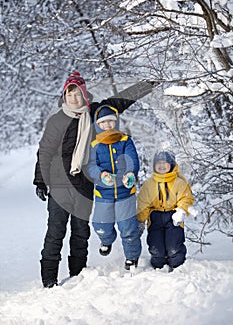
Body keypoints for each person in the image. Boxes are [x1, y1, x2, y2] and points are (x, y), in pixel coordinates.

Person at [33, 71, 153, 287]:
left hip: (84, 184)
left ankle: (77, 277)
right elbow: (45, 151)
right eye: (70, 95)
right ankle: (48, 281)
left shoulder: (95, 113)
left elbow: (120, 101)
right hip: (60, 185)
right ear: (65, 97)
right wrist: (41, 180)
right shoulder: (57, 120)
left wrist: (146, 85)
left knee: (81, 233)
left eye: (78, 95)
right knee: (55, 231)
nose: (74, 99)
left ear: (84, 95)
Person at [86, 105, 141, 270]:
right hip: (104, 193)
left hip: (125, 192)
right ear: (98, 125)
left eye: (111, 121)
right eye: (104, 122)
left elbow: (133, 159)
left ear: (115, 122)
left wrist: (130, 173)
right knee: (101, 225)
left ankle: (131, 257)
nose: (108, 125)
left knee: (128, 228)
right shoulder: (95, 144)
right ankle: (107, 239)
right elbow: (90, 165)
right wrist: (101, 174)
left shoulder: (125, 140)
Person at [137, 150, 194, 272]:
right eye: (159, 164)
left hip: (173, 216)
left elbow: (186, 198)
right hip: (155, 217)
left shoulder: (179, 182)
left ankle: (176, 265)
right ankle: (158, 265)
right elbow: (144, 203)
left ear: (172, 165)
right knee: (156, 247)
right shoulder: (149, 184)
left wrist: (181, 211)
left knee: (174, 246)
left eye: (165, 163)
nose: (162, 166)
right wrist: (140, 220)